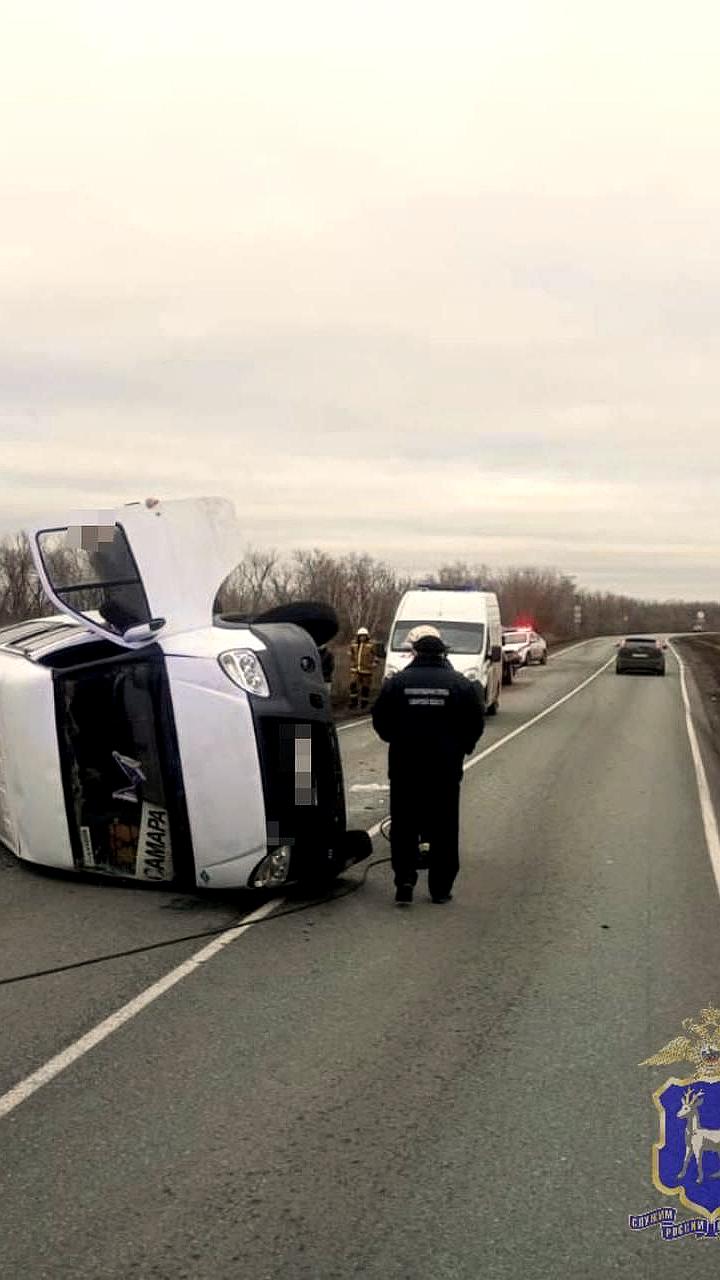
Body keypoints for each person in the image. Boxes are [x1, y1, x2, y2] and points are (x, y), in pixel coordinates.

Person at [371, 625, 484, 906]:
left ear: (415, 653)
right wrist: (462, 747)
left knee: (404, 824)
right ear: (443, 653)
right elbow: (475, 721)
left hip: (405, 766)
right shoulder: (460, 684)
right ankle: (440, 888)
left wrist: (396, 739)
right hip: (445, 768)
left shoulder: (397, 683)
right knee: (444, 826)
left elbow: (380, 719)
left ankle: (404, 881)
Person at [348, 626, 377, 711]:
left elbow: (376, 656)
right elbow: (351, 655)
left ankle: (364, 704)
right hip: (355, 670)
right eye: (360, 636)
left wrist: (374, 664)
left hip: (366, 670)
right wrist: (352, 663)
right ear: (358, 636)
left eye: (364, 636)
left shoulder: (371, 645)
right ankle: (353, 703)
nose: (362, 638)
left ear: (366, 636)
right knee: (353, 685)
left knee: (365, 688)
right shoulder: (354, 645)